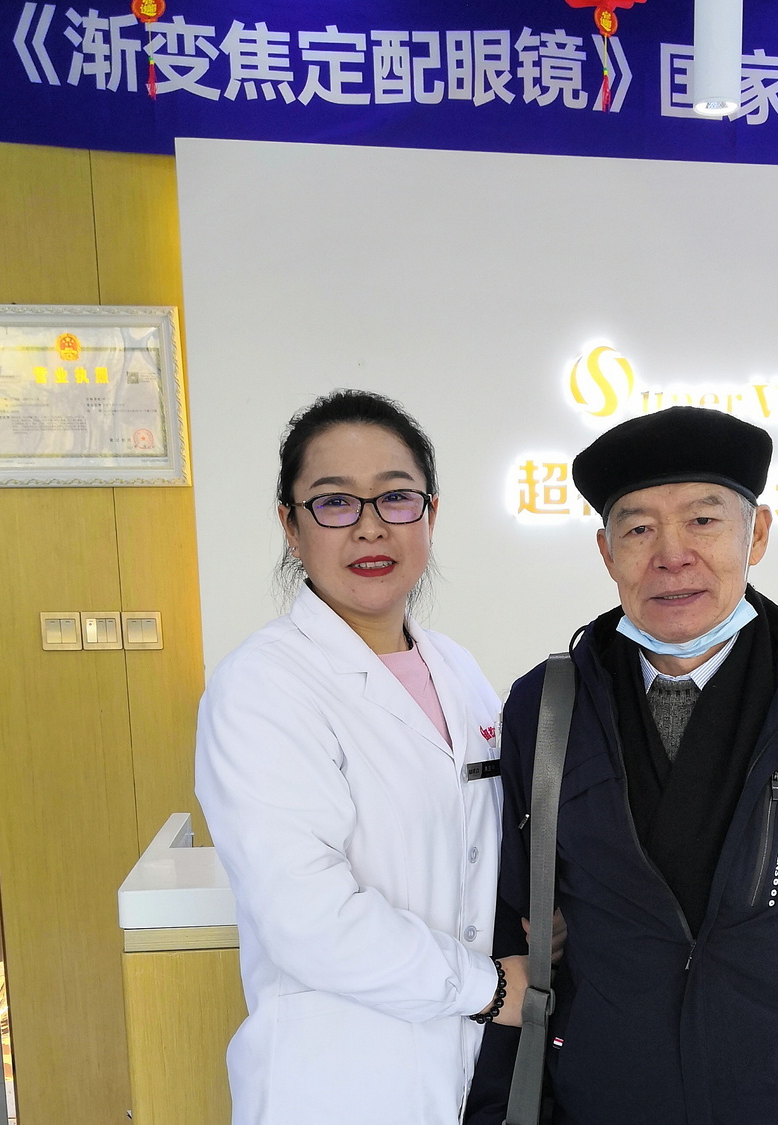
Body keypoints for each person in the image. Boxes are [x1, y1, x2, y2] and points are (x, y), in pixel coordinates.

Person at [475, 406, 778, 1125]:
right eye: (639, 529)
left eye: (703, 521)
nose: (672, 555)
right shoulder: (546, 707)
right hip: (608, 1100)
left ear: (756, 534)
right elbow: (510, 937)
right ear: (606, 552)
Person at [195, 390, 529, 1125]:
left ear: (431, 515)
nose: (370, 526)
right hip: (339, 1078)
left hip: (472, 1072)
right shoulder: (263, 684)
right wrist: (493, 990)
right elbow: (307, 917)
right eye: (334, 502)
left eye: (396, 497)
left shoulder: (458, 670)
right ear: (291, 526)